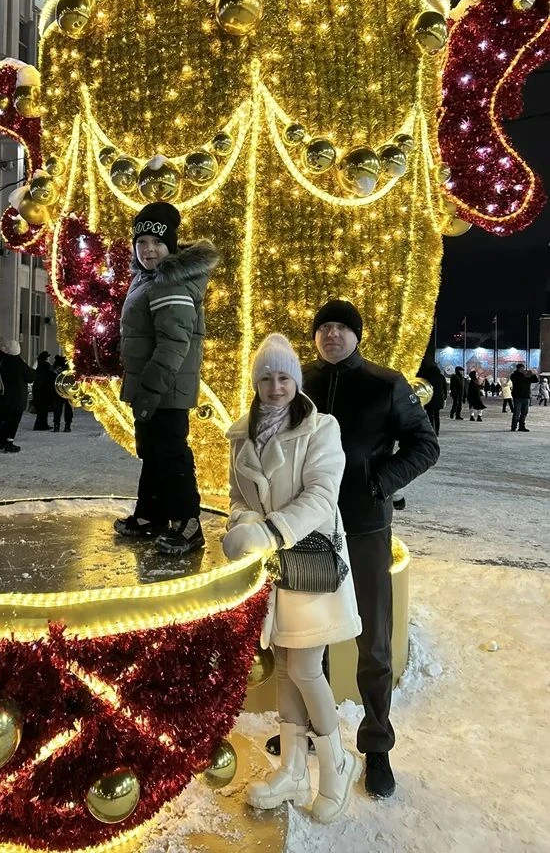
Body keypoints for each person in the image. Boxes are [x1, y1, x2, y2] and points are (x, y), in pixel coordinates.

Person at [266, 300, 440, 799]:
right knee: (308, 635)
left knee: (374, 642)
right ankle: (308, 731)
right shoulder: (300, 383)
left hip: (364, 528)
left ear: (356, 336)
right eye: (324, 327)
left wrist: (379, 483)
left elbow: (425, 445)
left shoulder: (386, 385)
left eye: (342, 327)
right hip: (310, 528)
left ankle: (377, 745)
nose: (332, 335)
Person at [223, 334, 361, 823]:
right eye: (267, 378)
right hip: (274, 570)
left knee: (304, 668)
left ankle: (336, 763)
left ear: (296, 381)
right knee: (285, 667)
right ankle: (293, 769)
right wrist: (242, 525)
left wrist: (270, 531)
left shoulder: (321, 428)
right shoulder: (240, 435)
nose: (276, 387)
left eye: (284, 377)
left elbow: (322, 496)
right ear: (256, 382)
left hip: (309, 561)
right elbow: (238, 497)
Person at [113, 201, 219, 555]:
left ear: (170, 245)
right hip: (152, 384)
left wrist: (150, 389)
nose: (149, 250)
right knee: (153, 452)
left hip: (165, 388)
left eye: (157, 243)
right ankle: (151, 515)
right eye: (141, 243)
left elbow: (174, 342)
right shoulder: (147, 278)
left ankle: (189, 525)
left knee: (171, 455)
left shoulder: (169, 282)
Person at [0, 340, 35, 452]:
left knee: (5, 420)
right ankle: (9, 443)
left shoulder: (3, 362)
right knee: (14, 422)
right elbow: (30, 377)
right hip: (18, 399)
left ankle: (2, 441)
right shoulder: (20, 363)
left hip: (4, 397)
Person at [418, 357, 448, 436]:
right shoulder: (441, 377)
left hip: (430, 398)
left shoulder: (427, 377)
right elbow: (444, 389)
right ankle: (437, 431)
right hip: (438, 399)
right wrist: (444, 398)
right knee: (437, 415)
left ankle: (431, 431)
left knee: (430, 415)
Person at [510, 363, 539, 432]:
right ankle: (513, 427)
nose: (523, 369)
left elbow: (535, 380)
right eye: (521, 368)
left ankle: (521, 426)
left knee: (524, 412)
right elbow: (517, 380)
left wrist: (532, 374)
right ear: (518, 369)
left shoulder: (527, 375)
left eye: (523, 368)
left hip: (526, 396)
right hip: (517, 397)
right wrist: (524, 375)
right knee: (517, 412)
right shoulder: (514, 375)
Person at [32, 351, 55, 431]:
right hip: (44, 390)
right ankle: (42, 425)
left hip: (37, 389)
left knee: (40, 410)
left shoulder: (38, 364)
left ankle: (40, 425)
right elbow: (50, 376)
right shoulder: (46, 365)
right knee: (44, 410)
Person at [52, 354, 74, 432]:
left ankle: (56, 425)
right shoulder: (69, 365)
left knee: (57, 408)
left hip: (58, 390)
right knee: (68, 408)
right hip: (68, 390)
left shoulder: (56, 366)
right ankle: (67, 425)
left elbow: (53, 377)